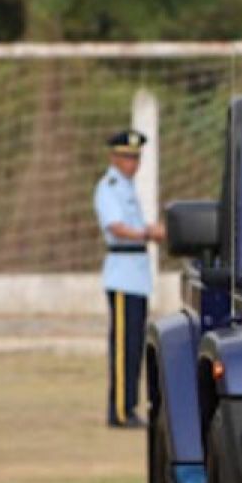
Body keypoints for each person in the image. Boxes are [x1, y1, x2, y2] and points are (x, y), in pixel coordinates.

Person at [94, 129, 165, 429]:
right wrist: (149, 232)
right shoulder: (110, 186)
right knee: (124, 348)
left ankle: (129, 405)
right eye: (126, 158)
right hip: (122, 276)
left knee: (135, 346)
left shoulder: (125, 186)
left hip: (135, 276)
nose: (132, 164)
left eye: (135, 158)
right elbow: (116, 227)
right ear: (114, 157)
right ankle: (121, 411)